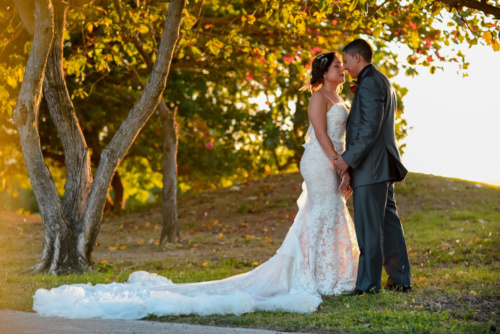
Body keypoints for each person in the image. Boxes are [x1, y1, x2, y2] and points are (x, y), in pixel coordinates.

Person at [32, 52, 359, 320]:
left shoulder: (338, 96)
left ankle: (332, 274)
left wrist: (345, 168)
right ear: (324, 72)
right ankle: (315, 277)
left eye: (343, 66)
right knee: (322, 211)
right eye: (337, 66)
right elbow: (320, 135)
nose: (342, 70)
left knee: (331, 211)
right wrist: (338, 163)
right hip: (321, 161)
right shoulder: (319, 97)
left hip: (334, 162)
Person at [332, 39, 412, 295]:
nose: (345, 68)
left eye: (346, 61)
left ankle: (367, 286)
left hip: (370, 166)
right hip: (381, 165)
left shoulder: (369, 83)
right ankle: (400, 280)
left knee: (368, 228)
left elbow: (369, 128)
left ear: (357, 57)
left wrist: (348, 159)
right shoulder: (382, 81)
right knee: (388, 224)